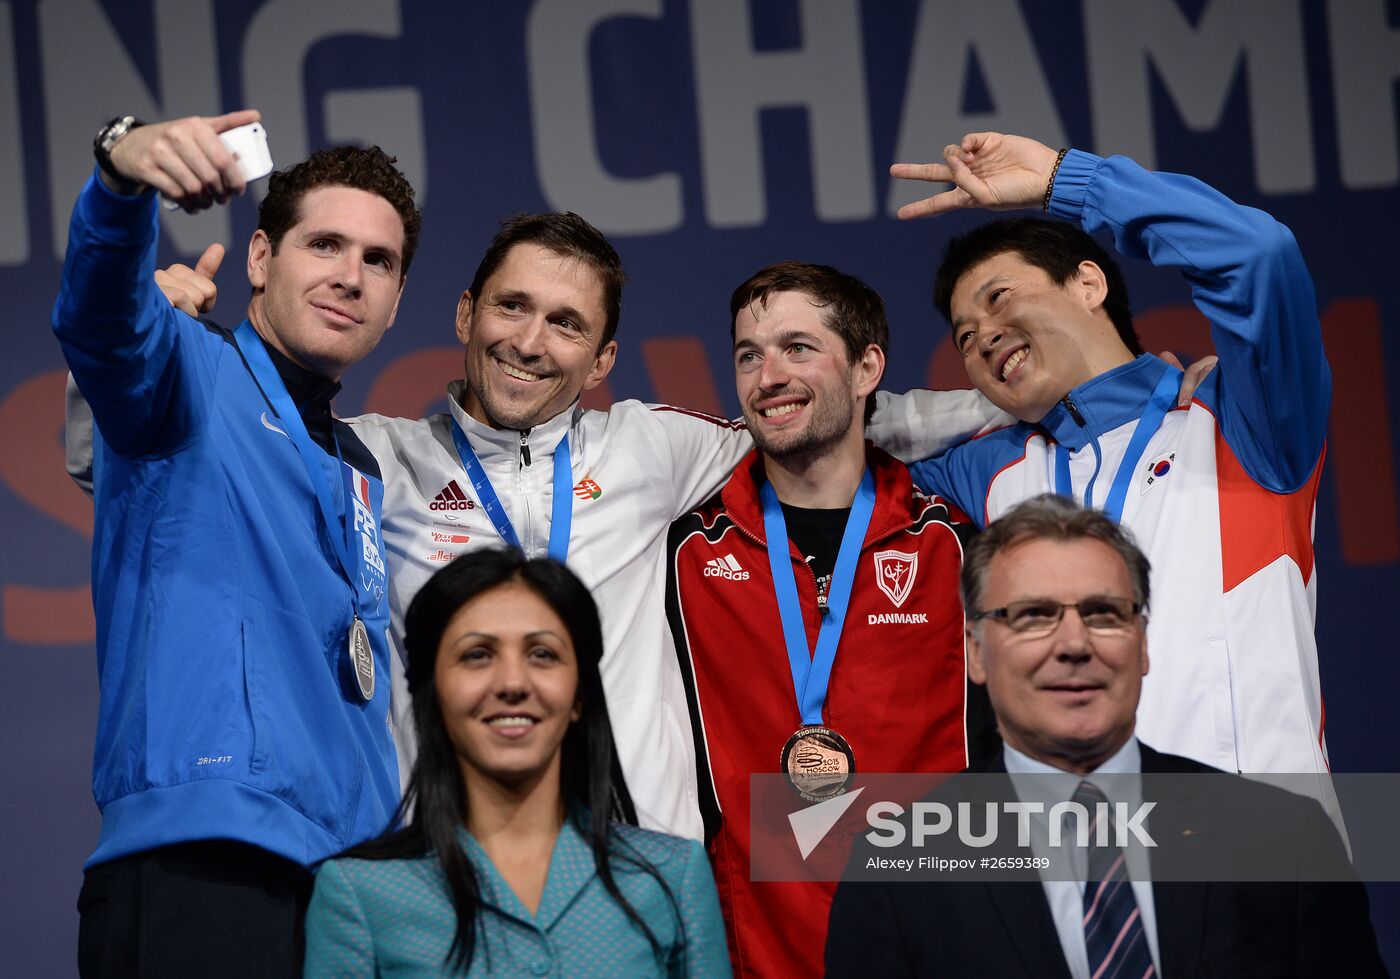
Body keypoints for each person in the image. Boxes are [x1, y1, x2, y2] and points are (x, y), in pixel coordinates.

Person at [54, 110, 418, 976]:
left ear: (399, 299)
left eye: (379, 261)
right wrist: (121, 177)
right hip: (203, 863)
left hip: (355, 888)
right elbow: (104, 323)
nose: (351, 276)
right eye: (324, 245)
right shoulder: (188, 374)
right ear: (261, 258)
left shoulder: (362, 464)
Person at [900, 132, 1334, 785]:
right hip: (1083, 863)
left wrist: (1064, 183)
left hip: (1260, 851)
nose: (983, 334)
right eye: (964, 335)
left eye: (999, 298)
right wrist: (963, 411)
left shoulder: (1242, 421)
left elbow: (1257, 256)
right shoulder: (987, 472)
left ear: (1088, 283)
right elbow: (826, 446)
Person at [825, 495, 1387, 978]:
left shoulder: (1285, 840)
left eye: (1104, 613)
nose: (1074, 643)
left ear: (1143, 643)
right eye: (1033, 615)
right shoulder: (895, 871)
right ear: (975, 650)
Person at [663, 262, 996, 977]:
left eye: (798, 348)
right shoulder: (687, 551)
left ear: (868, 365)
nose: (768, 375)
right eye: (749, 355)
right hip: (762, 951)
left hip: (943, 945)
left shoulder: (951, 542)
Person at [303, 548, 731, 976]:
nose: (512, 683)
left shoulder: (673, 879)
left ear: (580, 693)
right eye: (477, 655)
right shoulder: (358, 894)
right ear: (432, 693)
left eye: (542, 654)